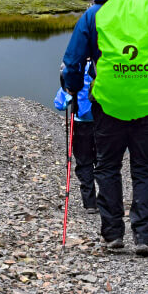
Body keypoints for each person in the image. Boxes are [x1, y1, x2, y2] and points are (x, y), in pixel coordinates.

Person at [61, 0, 148, 256]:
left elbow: (73, 61)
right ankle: (143, 236)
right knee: (144, 169)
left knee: (107, 167)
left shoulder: (93, 14)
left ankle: (113, 235)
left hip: (107, 103)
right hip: (147, 102)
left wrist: (74, 88)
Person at [53, 60, 98, 212]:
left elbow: (60, 104)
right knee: (105, 163)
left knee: (84, 163)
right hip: (104, 123)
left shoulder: (74, 69)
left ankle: (90, 203)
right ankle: (107, 200)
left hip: (81, 124)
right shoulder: (103, 65)